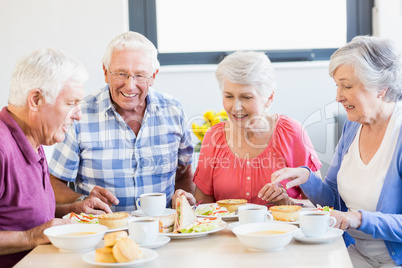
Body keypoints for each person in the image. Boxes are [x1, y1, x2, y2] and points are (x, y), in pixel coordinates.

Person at [272, 36, 402, 267]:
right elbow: (334, 200)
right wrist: (307, 178)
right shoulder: (353, 125)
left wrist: (357, 219)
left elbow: (350, 216)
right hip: (354, 252)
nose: (338, 96)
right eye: (337, 85)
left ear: (380, 88)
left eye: (347, 86)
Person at [48, 31, 195, 212]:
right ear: (105, 72)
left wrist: (184, 199)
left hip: (163, 230)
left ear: (153, 76)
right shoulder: (80, 113)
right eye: (121, 73)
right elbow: (53, 182)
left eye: (140, 75)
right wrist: (83, 199)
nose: (130, 85)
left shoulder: (174, 110)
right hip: (101, 231)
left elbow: (184, 175)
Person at [0, 48, 112, 267]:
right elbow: (30, 230)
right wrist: (30, 237)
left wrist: (72, 208)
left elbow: (22, 215)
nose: (78, 115)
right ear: (35, 99)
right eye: (71, 104)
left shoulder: (33, 138)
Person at [173, 51, 321, 207]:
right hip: (227, 231)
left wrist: (290, 203)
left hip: (283, 230)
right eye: (229, 96)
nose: (236, 107)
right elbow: (204, 205)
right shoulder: (213, 137)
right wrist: (190, 204)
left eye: (246, 97)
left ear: (269, 98)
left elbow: (321, 204)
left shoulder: (292, 132)